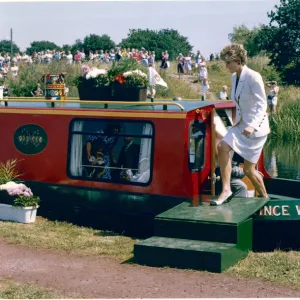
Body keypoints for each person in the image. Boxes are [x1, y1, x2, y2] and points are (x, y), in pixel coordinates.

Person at [211, 43, 270, 206]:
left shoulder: (253, 76)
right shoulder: (234, 77)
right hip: (240, 126)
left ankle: (265, 200)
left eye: (228, 62)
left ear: (237, 60)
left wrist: (252, 126)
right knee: (222, 147)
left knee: (248, 171)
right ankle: (226, 189)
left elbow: (262, 105)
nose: (226, 66)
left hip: (255, 130)